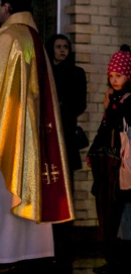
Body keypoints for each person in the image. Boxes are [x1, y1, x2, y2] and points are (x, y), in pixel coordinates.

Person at [0, 0, 74, 269]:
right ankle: (29, 250)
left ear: (6, 7)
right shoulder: (32, 37)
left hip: (6, 129)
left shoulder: (9, 37)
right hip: (29, 130)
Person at [86, 45, 131, 274]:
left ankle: (120, 259)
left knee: (122, 213)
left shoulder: (125, 101)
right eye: (111, 76)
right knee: (112, 213)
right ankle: (114, 259)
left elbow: (118, 123)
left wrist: (112, 106)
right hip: (112, 165)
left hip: (124, 165)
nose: (114, 80)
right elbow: (105, 129)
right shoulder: (115, 100)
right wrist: (93, 151)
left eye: (119, 76)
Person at [46, 34, 88, 174]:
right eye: (58, 47)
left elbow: (81, 103)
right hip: (47, 129)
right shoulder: (45, 72)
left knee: (66, 172)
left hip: (67, 129)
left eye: (65, 47)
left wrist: (63, 107)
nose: (62, 50)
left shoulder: (76, 73)